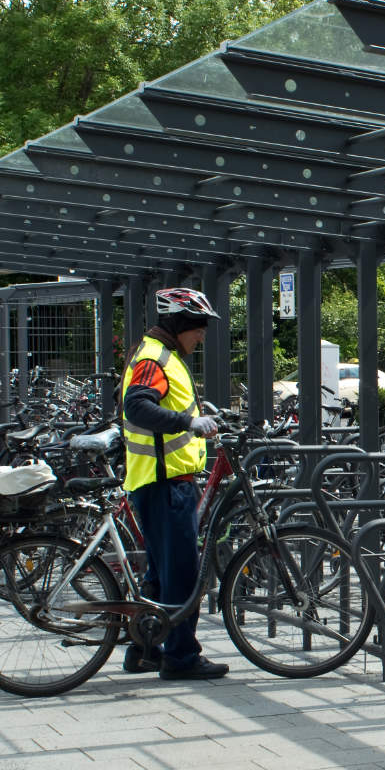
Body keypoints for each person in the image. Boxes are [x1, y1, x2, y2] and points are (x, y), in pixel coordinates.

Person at [120, 288, 228, 681]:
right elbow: (138, 405)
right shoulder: (156, 359)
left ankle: (144, 649)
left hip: (158, 480)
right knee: (182, 574)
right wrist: (189, 423)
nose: (202, 335)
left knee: (161, 575)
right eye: (198, 327)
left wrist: (200, 415)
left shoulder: (161, 355)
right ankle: (181, 658)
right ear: (181, 323)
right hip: (166, 483)